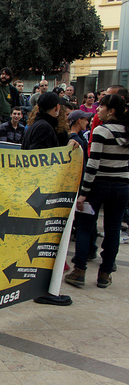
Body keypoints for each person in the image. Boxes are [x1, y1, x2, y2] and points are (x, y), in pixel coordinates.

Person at [67, 95, 129, 288]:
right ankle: (105, 273)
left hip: (99, 185)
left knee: (85, 227)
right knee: (113, 230)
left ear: (111, 111)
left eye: (101, 106)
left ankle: (79, 270)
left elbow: (93, 164)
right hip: (122, 186)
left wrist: (84, 192)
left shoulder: (102, 130)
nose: (97, 109)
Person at [0, 67, 20, 140]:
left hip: (10, 117)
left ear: (10, 77)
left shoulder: (13, 90)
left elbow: (17, 105)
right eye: (2, 74)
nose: (4, 76)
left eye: (6, 75)